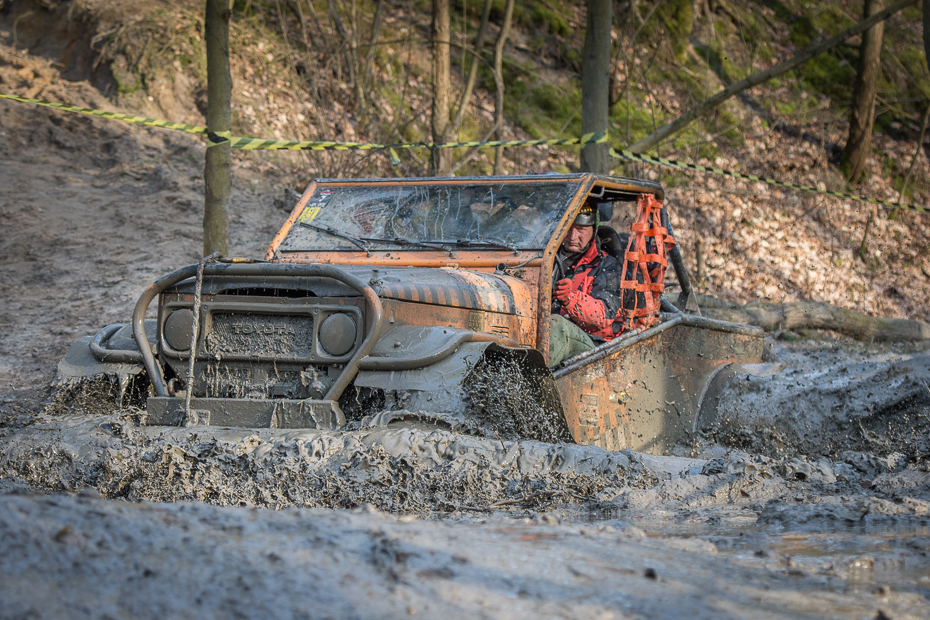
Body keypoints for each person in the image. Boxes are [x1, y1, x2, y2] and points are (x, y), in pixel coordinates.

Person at [549, 203, 624, 367]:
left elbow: (604, 314)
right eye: (568, 228)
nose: (572, 236)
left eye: (581, 229)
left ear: (593, 229)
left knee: (557, 325)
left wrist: (570, 299)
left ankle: (526, 388)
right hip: (550, 337)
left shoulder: (608, 266)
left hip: (595, 348)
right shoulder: (548, 259)